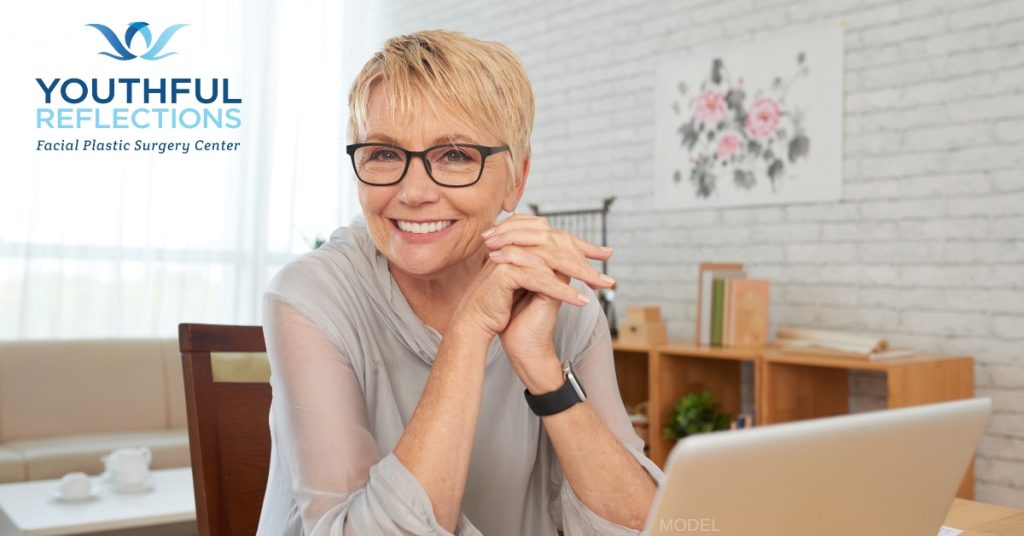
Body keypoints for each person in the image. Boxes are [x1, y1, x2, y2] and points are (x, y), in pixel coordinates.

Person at [257, 29, 662, 536]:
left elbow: (650, 526)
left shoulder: (559, 303)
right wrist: (469, 331)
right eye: (383, 154)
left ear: (517, 179)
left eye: (454, 155)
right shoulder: (309, 297)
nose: (413, 192)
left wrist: (543, 371)